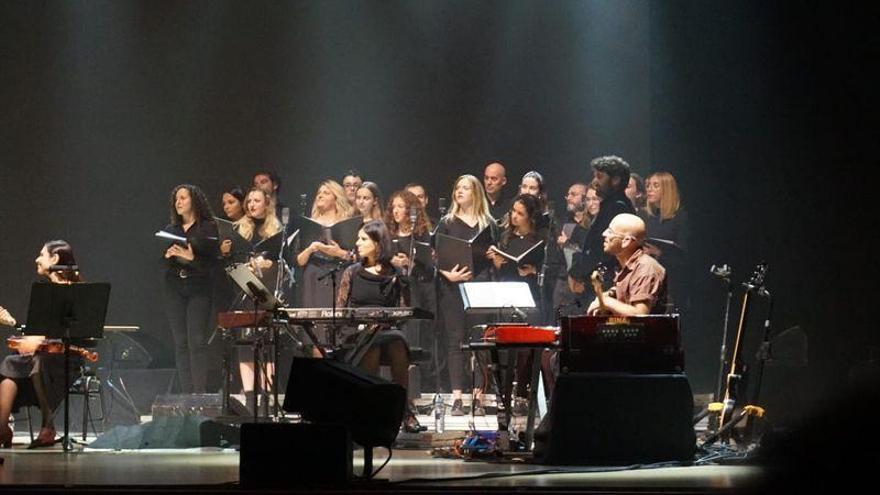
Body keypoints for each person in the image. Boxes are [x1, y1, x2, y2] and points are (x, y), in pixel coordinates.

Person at [336, 220, 425, 433]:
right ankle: (373, 409)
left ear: (378, 244)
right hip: (357, 331)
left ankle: (402, 409)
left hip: (386, 329)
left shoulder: (394, 273)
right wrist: (360, 323)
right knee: (372, 345)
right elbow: (341, 310)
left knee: (397, 342)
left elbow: (403, 311)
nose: (357, 243)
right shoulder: (352, 272)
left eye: (363, 239)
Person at [0, 240, 85, 448]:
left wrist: (37, 340)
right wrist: (14, 324)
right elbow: (37, 331)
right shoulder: (43, 293)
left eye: (41, 255)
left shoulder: (77, 291)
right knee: (11, 362)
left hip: (67, 357)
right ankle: (2, 427)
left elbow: (78, 330)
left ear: (55, 259)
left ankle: (49, 427)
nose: (36, 259)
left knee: (39, 363)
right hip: (44, 354)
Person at [435, 174, 498, 416]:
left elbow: (495, 259)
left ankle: (478, 397)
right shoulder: (447, 222)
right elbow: (435, 258)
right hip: (453, 288)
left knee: (480, 343)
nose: (459, 191)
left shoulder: (488, 223)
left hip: (480, 287)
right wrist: (446, 274)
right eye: (457, 187)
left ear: (476, 193)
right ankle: (458, 397)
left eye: (465, 188)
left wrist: (494, 256)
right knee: (455, 341)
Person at [220, 188, 283, 407]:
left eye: (257, 201)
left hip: (266, 290)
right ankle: (249, 395)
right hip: (244, 290)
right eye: (249, 201)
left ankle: (267, 397)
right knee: (245, 341)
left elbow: (282, 263)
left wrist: (270, 265)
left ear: (267, 203)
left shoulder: (276, 230)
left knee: (267, 340)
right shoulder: (239, 229)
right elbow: (229, 264)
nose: (252, 205)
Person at [487, 194, 545, 415]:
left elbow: (547, 271)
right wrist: (497, 262)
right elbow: (502, 269)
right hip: (507, 292)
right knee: (505, 344)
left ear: (530, 216)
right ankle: (503, 393)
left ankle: (522, 392)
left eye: (520, 213)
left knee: (526, 348)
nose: (514, 216)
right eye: (513, 211)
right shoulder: (506, 238)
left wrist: (534, 271)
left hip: (530, 296)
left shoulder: (539, 240)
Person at [162, 184, 219, 394]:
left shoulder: (208, 228)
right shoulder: (171, 230)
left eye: (183, 198)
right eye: (176, 199)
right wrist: (168, 257)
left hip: (199, 287)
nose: (178, 202)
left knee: (197, 340)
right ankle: (186, 393)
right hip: (174, 287)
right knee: (180, 342)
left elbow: (212, 264)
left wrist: (191, 258)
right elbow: (160, 262)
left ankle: (199, 392)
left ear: (194, 201)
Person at [385, 190, 443, 394]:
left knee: (412, 339)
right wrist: (392, 261)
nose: (396, 211)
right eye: (394, 207)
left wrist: (410, 262)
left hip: (415, 290)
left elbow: (429, 268)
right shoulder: (388, 234)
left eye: (401, 207)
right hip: (393, 292)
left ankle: (411, 394)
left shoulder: (421, 235)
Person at [295, 180, 355, 345]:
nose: (320, 195)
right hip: (313, 276)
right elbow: (299, 261)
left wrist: (339, 253)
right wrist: (311, 249)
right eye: (319, 193)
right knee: (316, 332)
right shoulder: (308, 225)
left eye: (326, 192)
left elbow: (355, 257)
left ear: (336, 198)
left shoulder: (347, 223)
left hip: (339, 275)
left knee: (338, 329)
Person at [568, 155, 635, 294]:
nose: (594, 181)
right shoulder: (610, 205)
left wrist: (579, 272)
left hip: (607, 285)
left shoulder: (618, 207)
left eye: (600, 177)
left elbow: (603, 250)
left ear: (615, 180)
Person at [586, 213, 668, 316]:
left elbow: (640, 314)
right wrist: (610, 295)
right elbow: (629, 290)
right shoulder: (629, 265)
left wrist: (606, 302)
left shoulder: (645, 269)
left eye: (610, 232)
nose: (604, 234)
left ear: (626, 241)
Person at [643, 171, 689, 311]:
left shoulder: (680, 217)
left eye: (655, 185)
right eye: (648, 185)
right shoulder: (645, 216)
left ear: (667, 189)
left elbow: (686, 256)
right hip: (647, 278)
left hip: (671, 281)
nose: (649, 189)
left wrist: (660, 253)